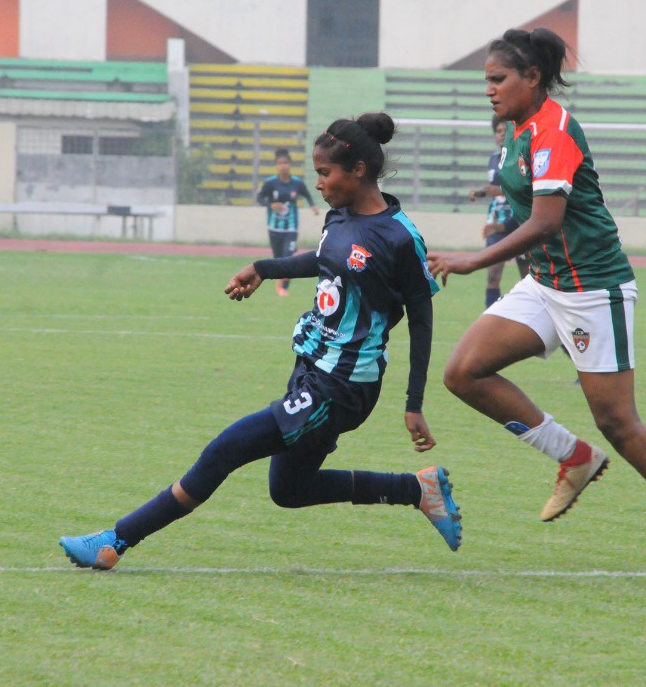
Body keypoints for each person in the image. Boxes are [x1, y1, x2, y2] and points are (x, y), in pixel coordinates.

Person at [59, 112, 460, 570]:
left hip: (343, 388)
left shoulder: (400, 237)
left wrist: (414, 403)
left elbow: (422, 319)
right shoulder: (340, 215)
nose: (320, 184)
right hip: (311, 368)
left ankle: (115, 541)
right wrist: (264, 268)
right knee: (289, 490)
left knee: (223, 451)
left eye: (325, 173)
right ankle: (418, 490)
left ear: (358, 171)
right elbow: (326, 259)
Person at [426, 28, 646, 573]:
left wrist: (474, 260)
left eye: (498, 79)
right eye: (487, 81)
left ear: (533, 78)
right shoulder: (518, 131)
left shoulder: (555, 130)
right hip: (546, 284)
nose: (489, 90)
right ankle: (573, 456)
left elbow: (547, 221)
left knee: (619, 422)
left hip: (593, 289)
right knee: (464, 372)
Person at [469, 116, 530, 307]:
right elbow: (495, 188)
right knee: (493, 275)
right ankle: (492, 318)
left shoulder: (521, 156)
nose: (501, 134)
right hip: (496, 222)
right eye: (498, 131)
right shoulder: (494, 158)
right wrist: (479, 193)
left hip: (519, 221)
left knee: (528, 279)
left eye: (505, 131)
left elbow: (526, 188)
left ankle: (529, 321)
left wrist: (501, 191)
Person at [256, 147, 321, 296]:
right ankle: (281, 281)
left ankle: (283, 286)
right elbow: (260, 198)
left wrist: (313, 206)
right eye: (279, 163)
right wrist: (271, 205)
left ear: (290, 164)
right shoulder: (270, 183)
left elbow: (307, 194)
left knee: (289, 257)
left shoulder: (297, 183)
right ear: (276, 165)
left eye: (285, 163)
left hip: (291, 226)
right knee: (279, 258)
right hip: (274, 227)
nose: (283, 166)